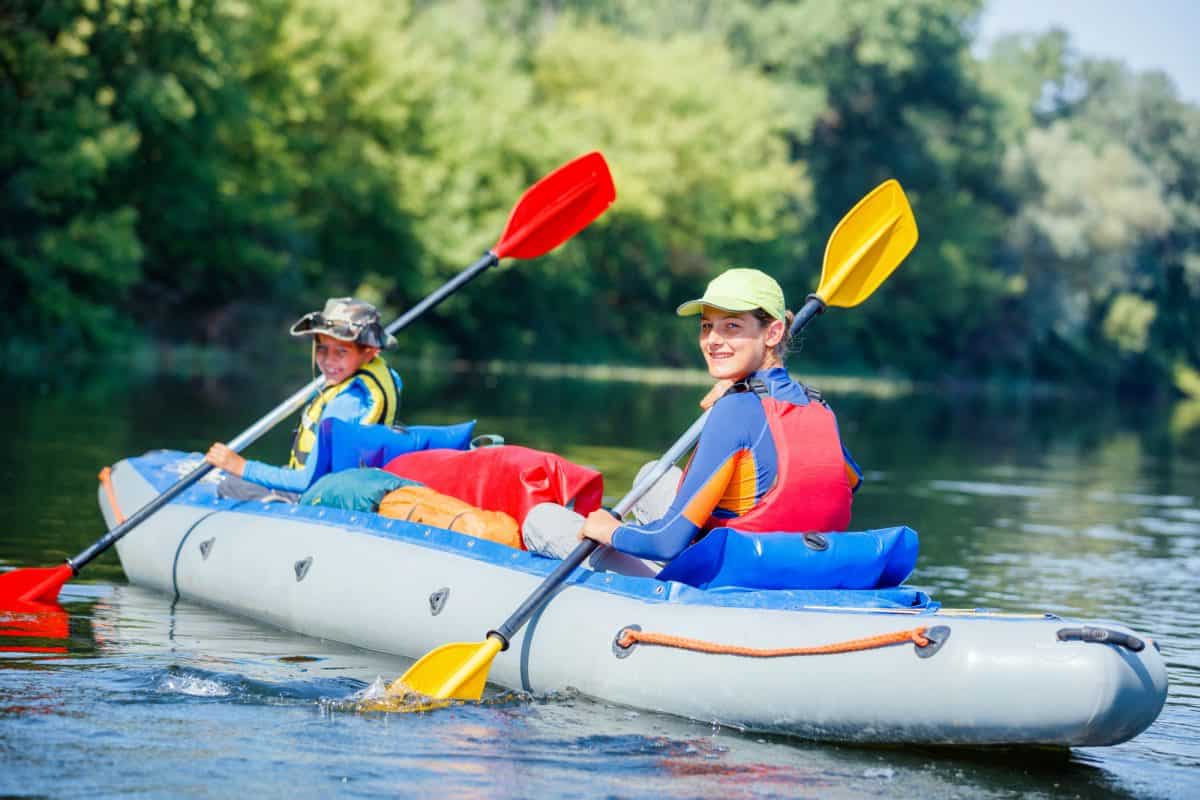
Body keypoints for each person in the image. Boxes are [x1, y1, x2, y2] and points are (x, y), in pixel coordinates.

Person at [569, 267, 862, 565]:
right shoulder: (815, 404)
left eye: (732, 326)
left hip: (729, 580)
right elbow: (848, 482)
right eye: (707, 326)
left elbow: (666, 543)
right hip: (802, 566)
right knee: (651, 475)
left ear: (773, 333)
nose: (712, 340)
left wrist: (611, 530)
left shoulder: (735, 409)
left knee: (544, 521)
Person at [205, 297, 403, 498]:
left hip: (316, 497)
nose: (328, 361)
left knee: (231, 484)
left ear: (369, 353)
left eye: (341, 352)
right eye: (321, 349)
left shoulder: (344, 404)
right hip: (336, 488)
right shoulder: (380, 379)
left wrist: (241, 467)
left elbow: (306, 481)